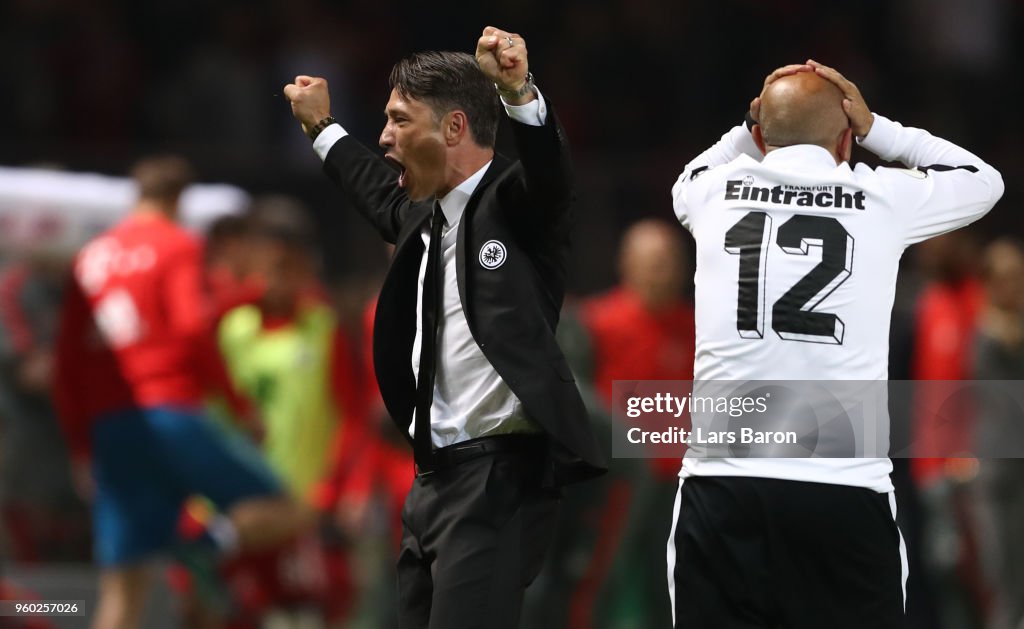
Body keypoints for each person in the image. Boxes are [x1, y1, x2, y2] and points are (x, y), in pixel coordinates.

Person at [283, 26, 605, 628]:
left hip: (499, 481)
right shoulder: (421, 216)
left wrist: (518, 92)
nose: (383, 137)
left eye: (399, 120)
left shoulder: (520, 205)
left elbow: (550, 173)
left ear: (454, 128)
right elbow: (369, 185)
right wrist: (321, 126)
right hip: (430, 483)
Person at [667, 61, 1003, 628]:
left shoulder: (712, 194)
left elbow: (689, 176)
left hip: (723, 485)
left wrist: (753, 120)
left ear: (757, 136)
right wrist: (881, 131)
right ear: (847, 137)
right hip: (843, 490)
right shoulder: (882, 197)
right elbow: (982, 179)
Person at [52, 155, 311, 629]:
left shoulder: (89, 257)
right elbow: (193, 329)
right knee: (288, 510)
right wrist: (238, 407)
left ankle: (188, 546)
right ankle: (202, 545)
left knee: (123, 590)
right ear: (177, 200)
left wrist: (80, 447)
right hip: (169, 412)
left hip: (111, 427)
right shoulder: (177, 245)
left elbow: (65, 364)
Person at [972, 238, 1024, 629]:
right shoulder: (984, 337)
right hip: (995, 472)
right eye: (1006, 279)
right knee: (1001, 574)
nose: (1014, 287)